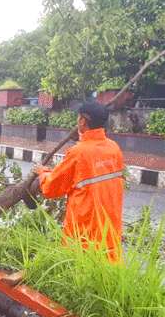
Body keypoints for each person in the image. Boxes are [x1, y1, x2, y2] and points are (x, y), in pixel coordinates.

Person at [33, 101, 125, 262]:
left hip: (83, 233)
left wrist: (43, 172)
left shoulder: (79, 152)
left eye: (78, 117)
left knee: (77, 273)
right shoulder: (114, 149)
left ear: (82, 121)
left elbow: (52, 188)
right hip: (109, 231)